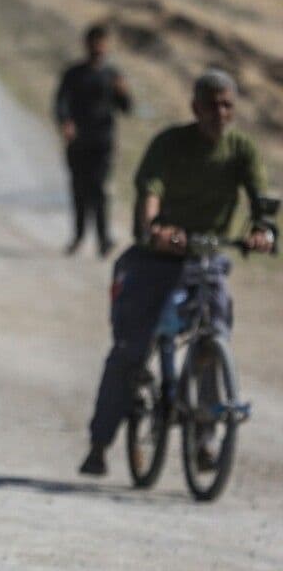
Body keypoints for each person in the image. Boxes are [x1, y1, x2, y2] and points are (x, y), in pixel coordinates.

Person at [78, 70, 273, 477]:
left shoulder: (241, 150)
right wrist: (155, 229)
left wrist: (261, 231)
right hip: (156, 259)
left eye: (227, 105)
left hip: (207, 258)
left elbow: (260, 197)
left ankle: (206, 436)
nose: (220, 113)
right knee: (131, 348)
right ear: (195, 108)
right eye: (212, 105)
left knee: (214, 334)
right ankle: (100, 442)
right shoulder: (170, 144)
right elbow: (150, 189)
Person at [55, 24, 132, 257]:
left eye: (102, 42)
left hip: (102, 142)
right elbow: (60, 102)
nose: (98, 47)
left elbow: (127, 108)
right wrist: (65, 122)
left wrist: (123, 92)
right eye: (94, 42)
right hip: (78, 141)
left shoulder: (113, 75)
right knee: (79, 189)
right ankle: (78, 236)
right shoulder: (74, 73)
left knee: (99, 189)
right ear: (86, 44)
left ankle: (103, 239)